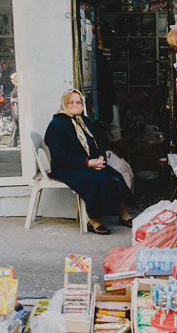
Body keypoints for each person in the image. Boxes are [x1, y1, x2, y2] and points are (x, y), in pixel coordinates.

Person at [44, 89, 133, 235]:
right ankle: (93, 220)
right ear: (64, 104)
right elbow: (60, 155)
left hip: (87, 164)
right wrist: (87, 163)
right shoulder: (57, 124)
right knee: (98, 179)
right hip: (67, 167)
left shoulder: (83, 121)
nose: (75, 104)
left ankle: (123, 213)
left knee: (115, 176)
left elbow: (99, 143)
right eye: (70, 102)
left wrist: (100, 158)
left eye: (78, 102)